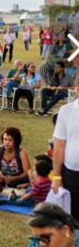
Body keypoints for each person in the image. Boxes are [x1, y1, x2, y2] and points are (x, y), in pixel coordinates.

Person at [52, 88, 79, 217]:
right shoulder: (66, 111)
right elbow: (59, 146)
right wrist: (56, 177)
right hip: (72, 174)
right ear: (77, 88)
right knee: (72, 218)